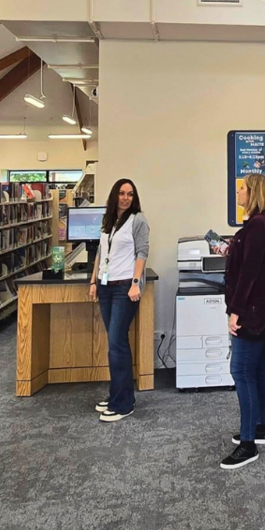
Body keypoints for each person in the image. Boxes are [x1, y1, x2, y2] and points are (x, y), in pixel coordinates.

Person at [220, 173, 265, 470]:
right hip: (263, 307)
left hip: (254, 309)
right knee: (256, 369)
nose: (238, 194)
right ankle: (261, 426)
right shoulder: (261, 224)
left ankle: (248, 445)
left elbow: (249, 273)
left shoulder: (258, 225)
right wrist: (229, 249)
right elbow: (249, 262)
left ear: (254, 192)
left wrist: (236, 310)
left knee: (241, 371)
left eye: (242, 189)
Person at [88, 179, 150, 422]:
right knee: (115, 344)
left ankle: (123, 404)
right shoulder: (109, 221)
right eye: (122, 193)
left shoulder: (138, 220)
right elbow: (101, 253)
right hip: (105, 286)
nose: (126, 198)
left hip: (125, 288)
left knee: (117, 344)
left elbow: (142, 252)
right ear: (115, 195)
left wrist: (135, 283)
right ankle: (118, 395)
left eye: (130, 194)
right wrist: (93, 281)